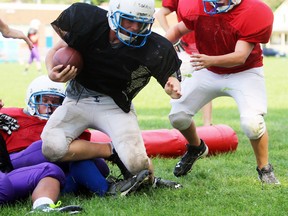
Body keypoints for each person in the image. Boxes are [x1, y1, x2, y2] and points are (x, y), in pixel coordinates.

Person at [41, 0, 182, 191]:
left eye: (140, 23)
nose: (134, 28)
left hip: (115, 105)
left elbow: (172, 79)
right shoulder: (87, 21)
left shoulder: (155, 46)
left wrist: (173, 85)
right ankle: (111, 150)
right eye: (128, 21)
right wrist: (52, 72)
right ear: (114, 16)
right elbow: (54, 52)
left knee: (137, 165)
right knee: (51, 147)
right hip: (78, 98)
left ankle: (151, 181)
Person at [165, 0, 280, 184]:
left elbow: (240, 56)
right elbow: (177, 30)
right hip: (208, 70)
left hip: (245, 72)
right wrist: (161, 47)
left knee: (252, 124)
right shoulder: (196, 6)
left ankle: (264, 168)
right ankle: (196, 147)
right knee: (178, 116)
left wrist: (210, 60)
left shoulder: (252, 10)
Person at [154, 0, 213, 126]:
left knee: (205, 82)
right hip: (186, 49)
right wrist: (173, 36)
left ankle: (207, 124)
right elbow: (160, 14)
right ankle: (182, 121)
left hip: (205, 47)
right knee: (180, 86)